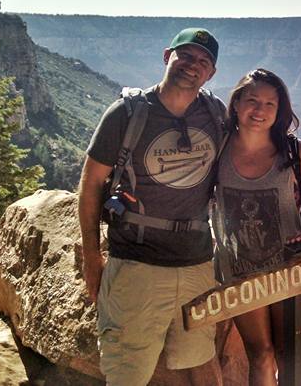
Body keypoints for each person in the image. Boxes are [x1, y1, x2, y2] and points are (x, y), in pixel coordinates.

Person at [78, 28, 225, 386]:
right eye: (185, 56)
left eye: (203, 61)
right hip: (136, 267)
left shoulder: (215, 113)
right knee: (127, 373)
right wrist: (92, 258)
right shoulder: (125, 114)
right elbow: (91, 185)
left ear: (211, 73)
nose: (192, 66)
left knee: (199, 360)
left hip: (197, 265)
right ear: (167, 56)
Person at [212, 68, 301, 386]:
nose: (259, 110)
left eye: (269, 104)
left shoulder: (296, 154)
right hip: (238, 272)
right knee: (260, 355)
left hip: (287, 270)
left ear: (279, 112)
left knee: (287, 353)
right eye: (252, 100)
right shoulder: (216, 150)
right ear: (236, 103)